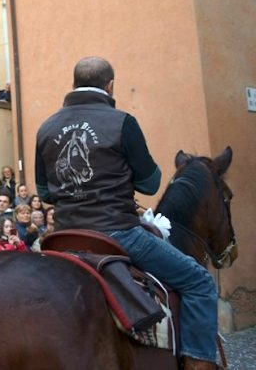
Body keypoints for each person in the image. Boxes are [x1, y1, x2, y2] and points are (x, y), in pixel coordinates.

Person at [35, 56, 218, 370]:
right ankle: (199, 361)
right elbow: (151, 183)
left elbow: (45, 193)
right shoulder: (122, 121)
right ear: (110, 85)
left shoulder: (46, 127)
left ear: (74, 83)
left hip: (62, 236)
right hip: (117, 232)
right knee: (200, 282)